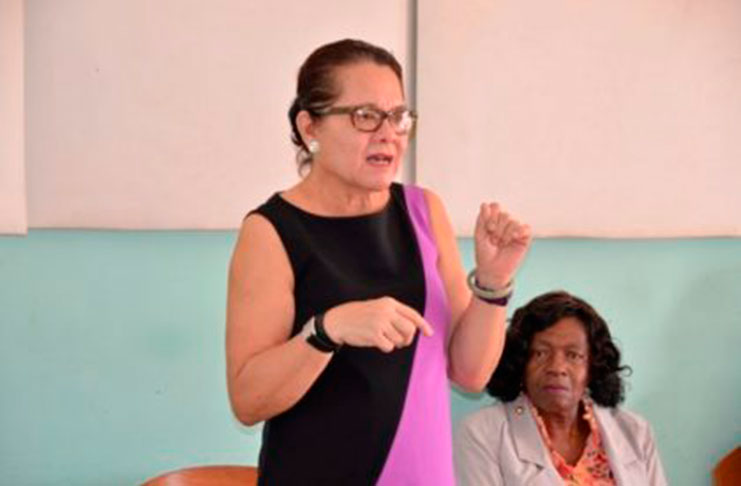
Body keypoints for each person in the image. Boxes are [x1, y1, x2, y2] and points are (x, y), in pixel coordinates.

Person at [226, 39, 532, 485]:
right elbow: (248, 399)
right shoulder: (270, 232)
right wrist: (326, 330)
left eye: (398, 117)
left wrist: (493, 281)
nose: (388, 133)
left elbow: (469, 373)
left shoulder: (425, 211)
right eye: (365, 116)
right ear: (310, 126)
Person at [454, 291, 668, 485]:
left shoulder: (634, 431)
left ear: (592, 367)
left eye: (573, 355)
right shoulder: (483, 433)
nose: (557, 368)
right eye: (541, 353)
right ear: (521, 362)